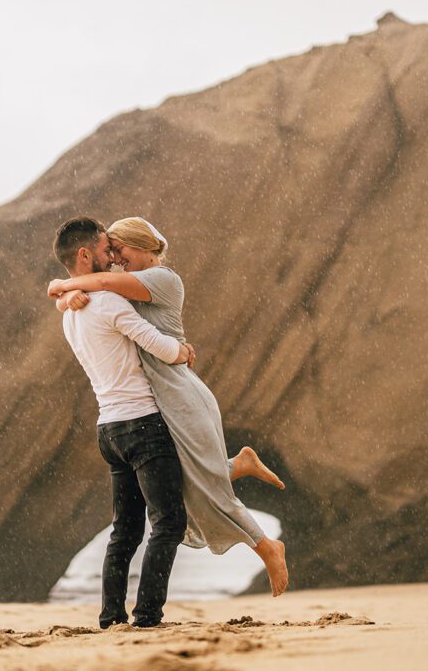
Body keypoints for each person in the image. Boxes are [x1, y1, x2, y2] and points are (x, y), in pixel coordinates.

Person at [48, 216, 289, 597]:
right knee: (189, 482)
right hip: (157, 397)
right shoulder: (124, 288)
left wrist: (62, 285)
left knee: (203, 486)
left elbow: (104, 285)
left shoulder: (162, 280)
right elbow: (100, 298)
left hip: (178, 391)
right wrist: (64, 296)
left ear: (141, 246)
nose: (115, 258)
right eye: (109, 251)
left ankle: (266, 546)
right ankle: (237, 465)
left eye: (119, 249)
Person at [52, 216, 195, 629]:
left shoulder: (70, 313)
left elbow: (84, 299)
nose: (111, 260)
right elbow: (157, 346)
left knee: (124, 531)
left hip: (109, 429)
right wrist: (183, 351)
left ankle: (111, 616)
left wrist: (64, 293)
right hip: (142, 424)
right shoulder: (108, 302)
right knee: (168, 523)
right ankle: (148, 616)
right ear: (84, 254)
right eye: (103, 250)